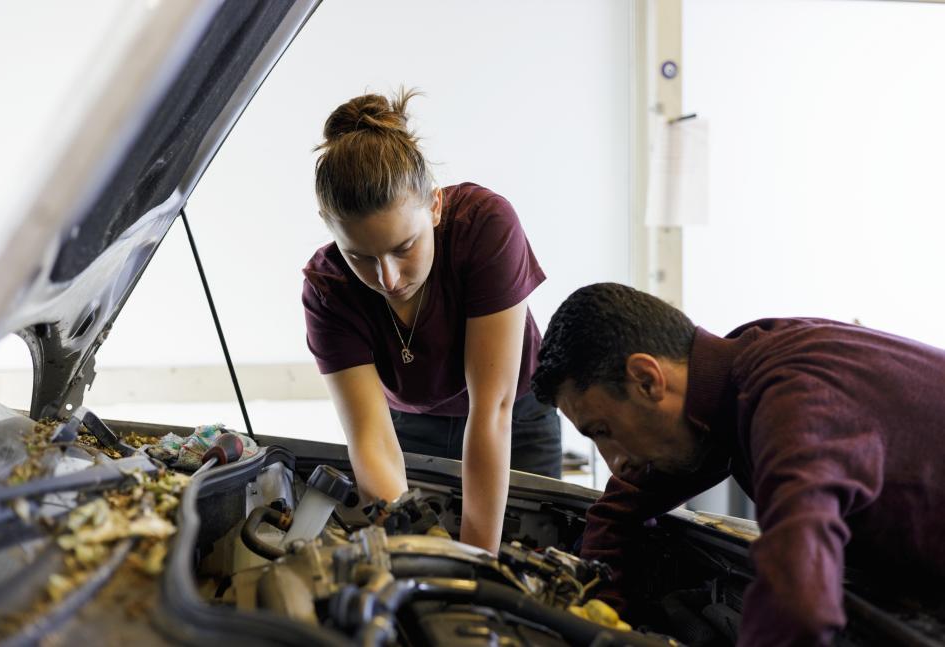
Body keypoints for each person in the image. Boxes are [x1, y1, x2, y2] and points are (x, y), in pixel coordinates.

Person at [531, 282, 945, 646]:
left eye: (603, 430)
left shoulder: (788, 398)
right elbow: (619, 510)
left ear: (646, 379)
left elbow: (797, 601)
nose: (616, 464)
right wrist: (606, 619)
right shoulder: (727, 383)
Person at [302, 89, 560, 553]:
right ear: (329, 226)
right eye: (359, 256)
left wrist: (474, 568)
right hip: (411, 426)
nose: (387, 278)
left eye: (404, 248)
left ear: (436, 206)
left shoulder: (485, 226)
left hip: (514, 417)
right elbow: (371, 438)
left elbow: (492, 412)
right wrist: (410, 555)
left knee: (525, 571)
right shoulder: (328, 290)